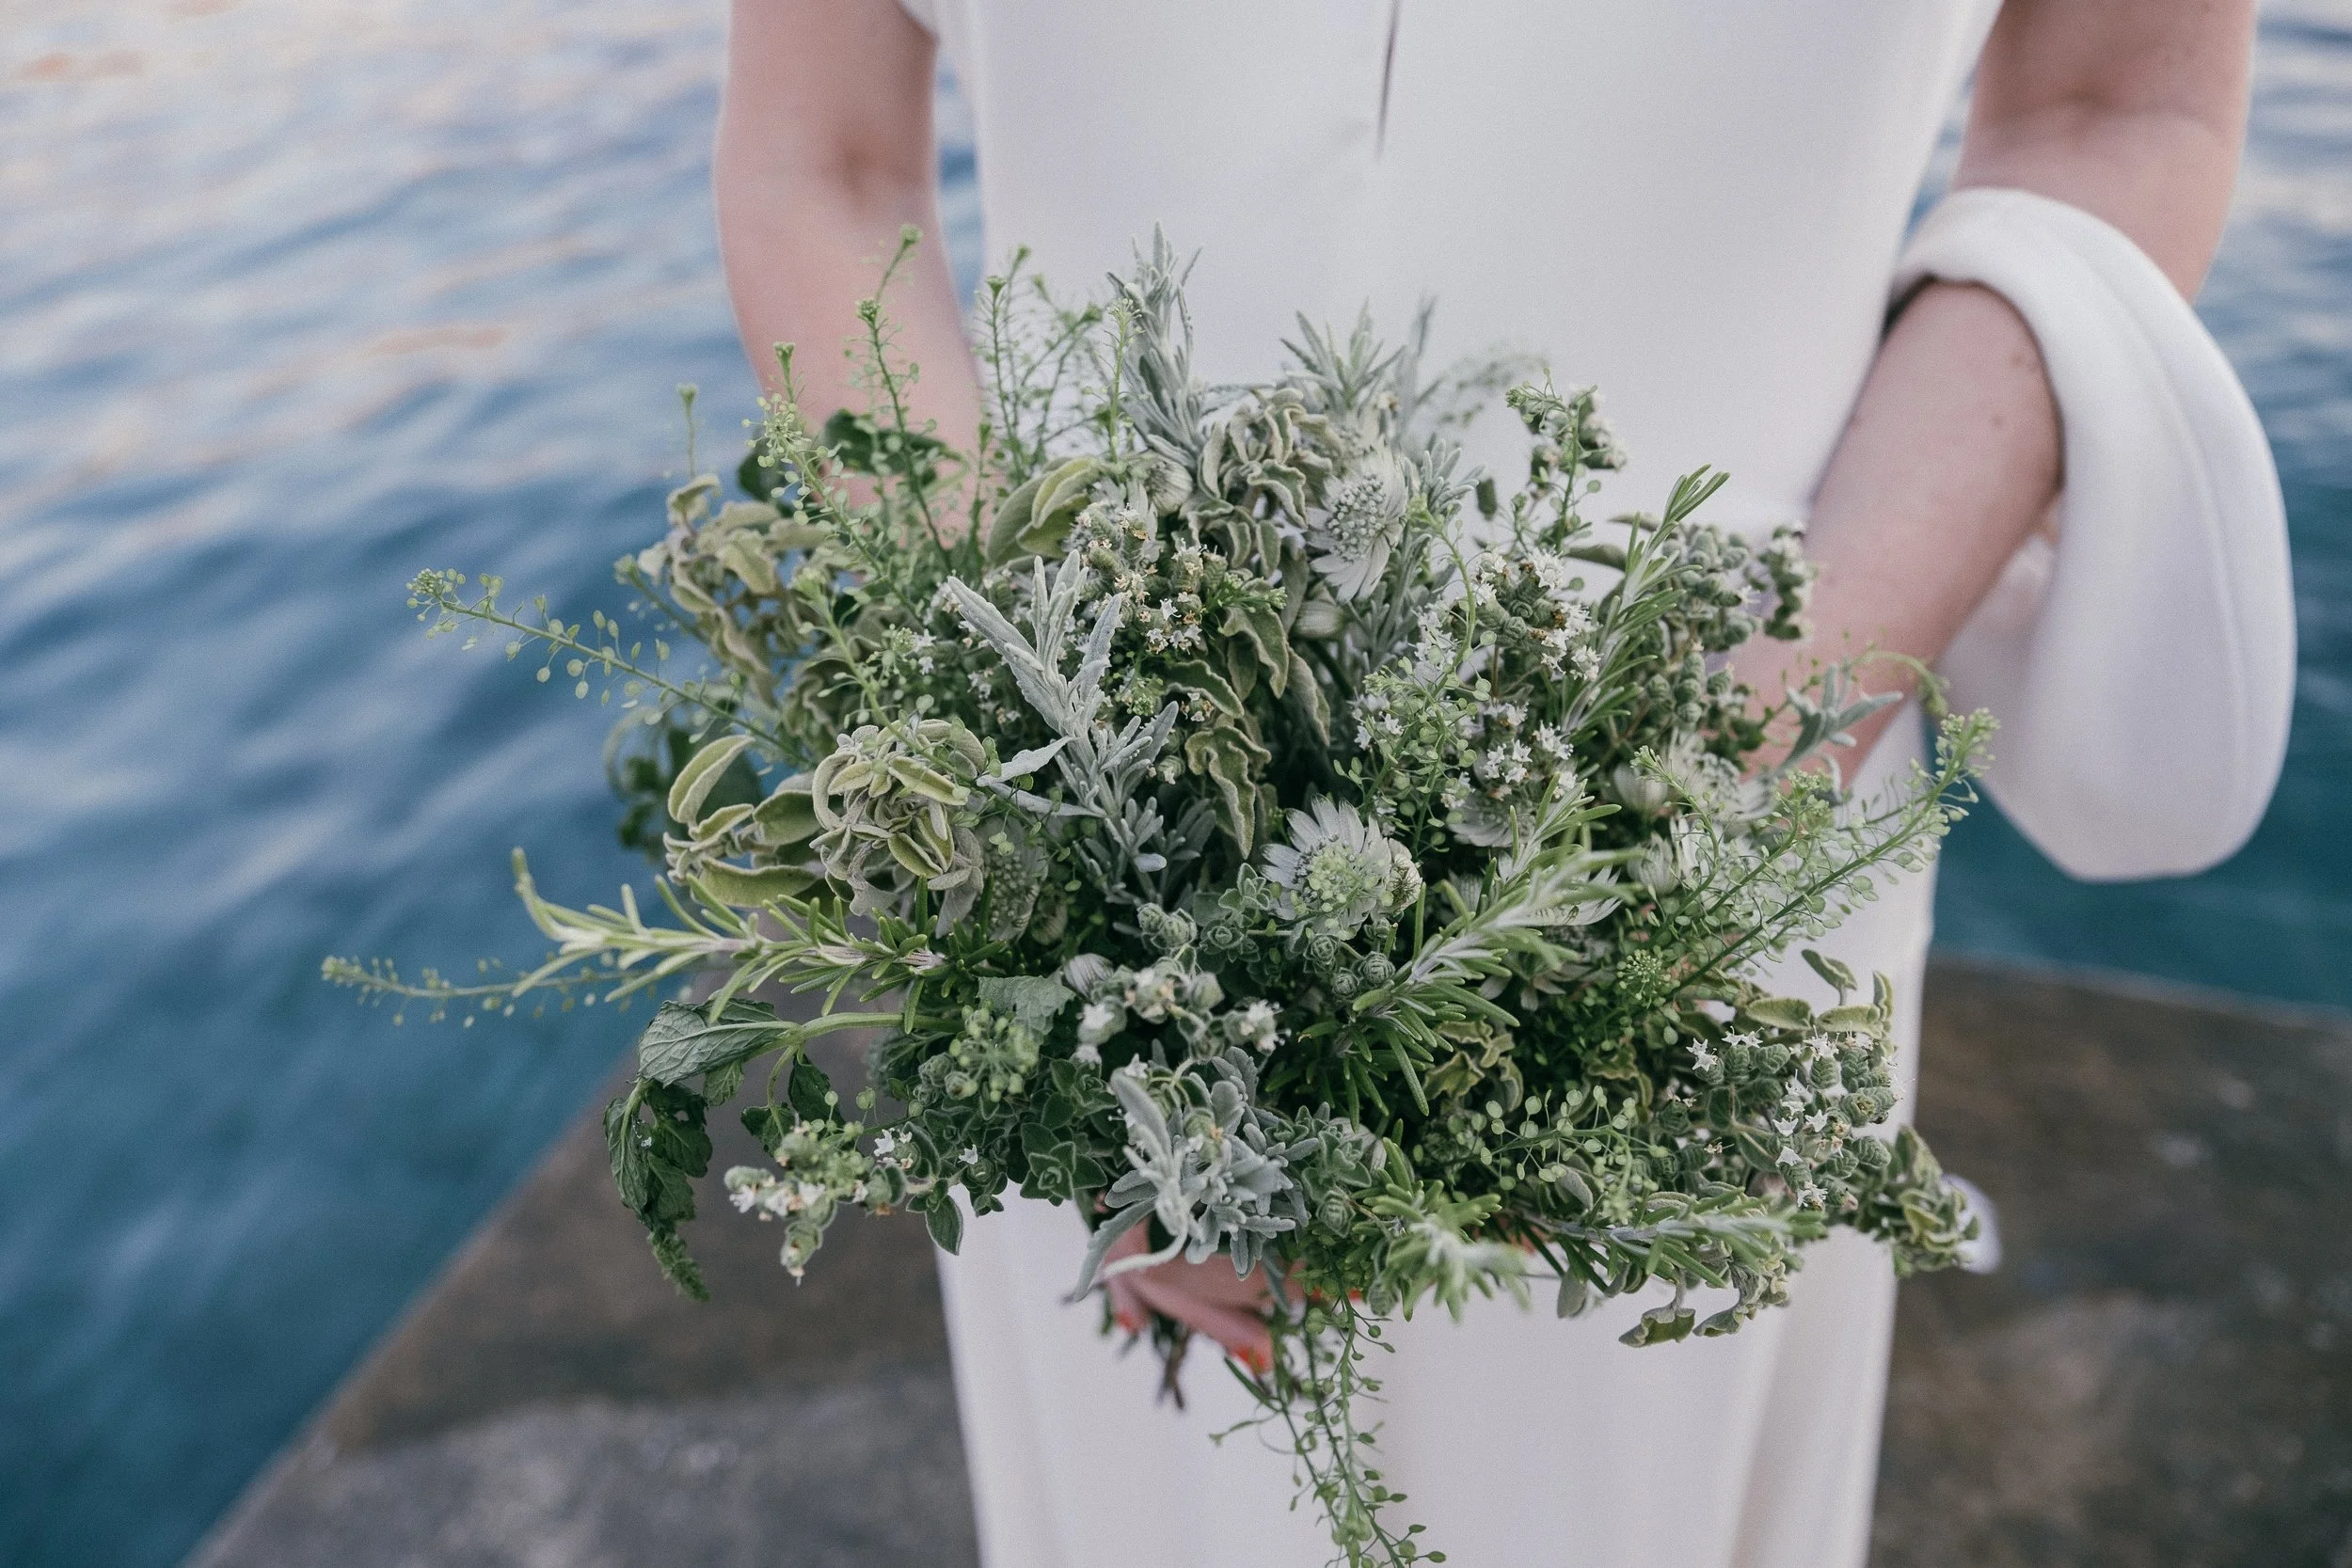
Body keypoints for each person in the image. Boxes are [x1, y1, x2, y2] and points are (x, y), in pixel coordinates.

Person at [712, 4, 2294, 1563]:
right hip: (1087, 856)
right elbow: (826, 161)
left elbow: (2114, 109)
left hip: (1728, 824)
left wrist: (1739, 750)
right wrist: (1051, 834)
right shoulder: (1068, 854)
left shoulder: (1725, 794)